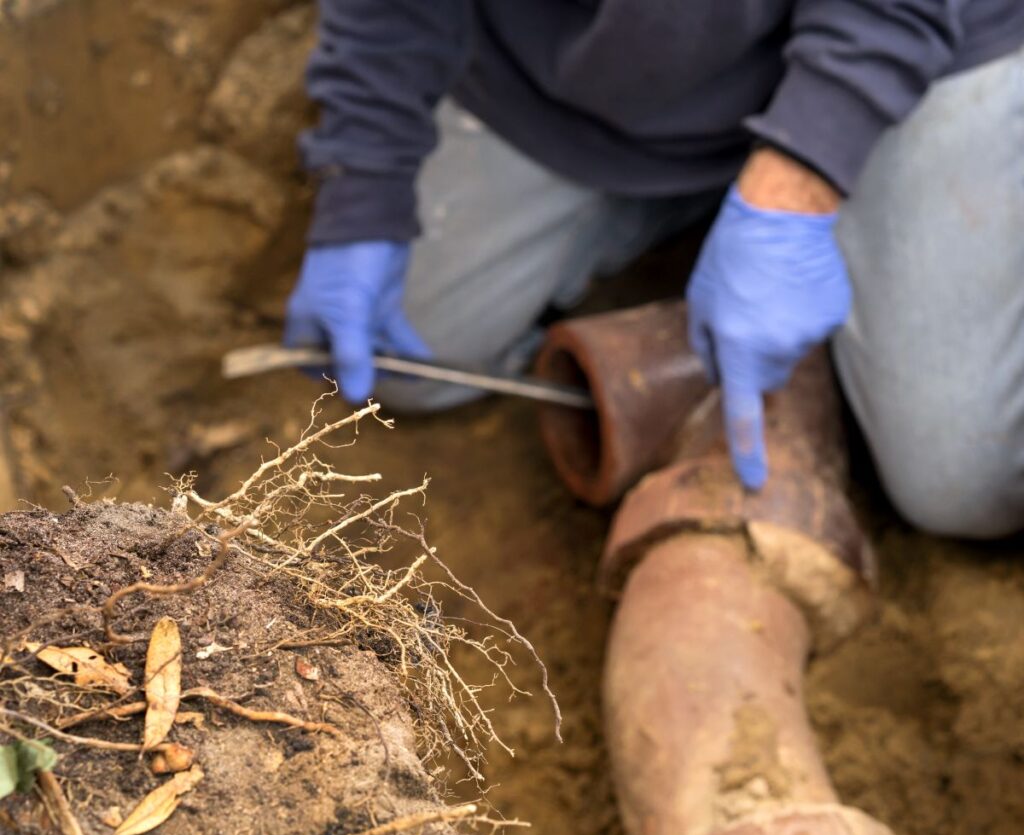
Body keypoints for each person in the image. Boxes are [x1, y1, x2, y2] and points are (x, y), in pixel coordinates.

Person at [284, 1, 1024, 538]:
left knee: (960, 482)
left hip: (921, 38)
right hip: (584, 68)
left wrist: (797, 182)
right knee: (407, 353)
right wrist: (366, 180)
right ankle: (695, 204)